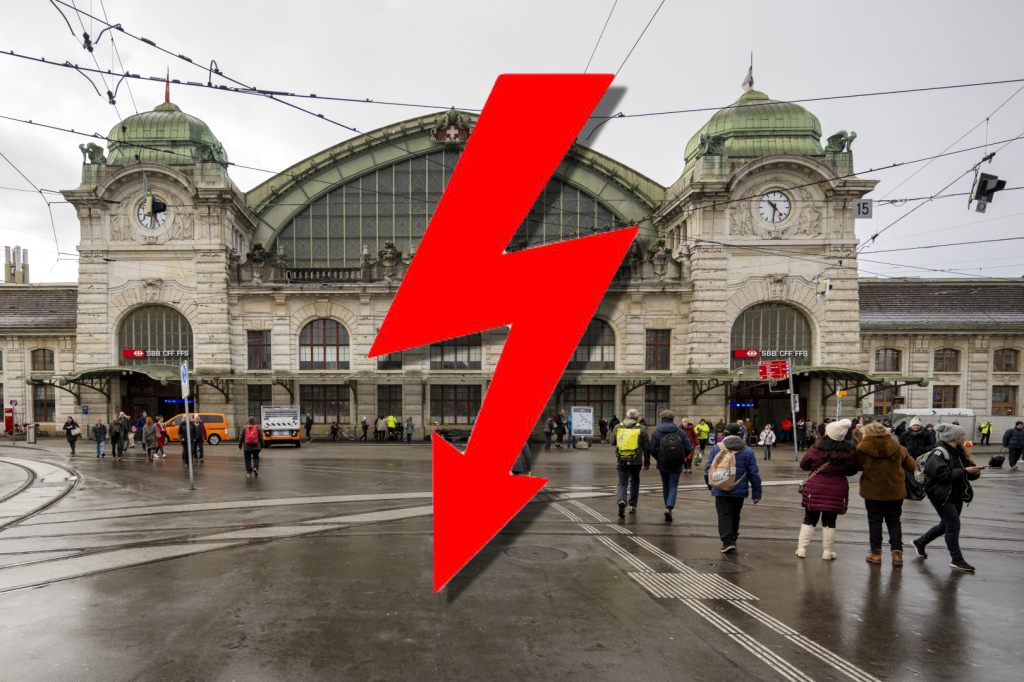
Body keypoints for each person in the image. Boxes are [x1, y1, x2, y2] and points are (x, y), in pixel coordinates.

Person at [912, 423, 983, 572]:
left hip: (956, 493)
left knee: (946, 525)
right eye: (962, 435)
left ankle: (920, 542)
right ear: (954, 437)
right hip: (940, 494)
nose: (964, 437)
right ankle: (957, 560)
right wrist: (964, 471)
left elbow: (964, 474)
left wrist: (974, 473)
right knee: (953, 526)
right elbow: (941, 475)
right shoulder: (939, 452)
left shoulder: (959, 451)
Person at [795, 419, 859, 561]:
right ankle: (827, 552)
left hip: (815, 487)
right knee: (830, 521)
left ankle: (802, 549)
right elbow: (852, 470)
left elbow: (804, 465)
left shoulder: (816, 447)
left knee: (809, 518)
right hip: (837, 488)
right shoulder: (849, 450)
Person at [857, 422, 917, 566]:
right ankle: (897, 554)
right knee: (894, 521)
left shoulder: (862, 448)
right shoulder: (898, 447)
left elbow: (855, 467)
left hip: (872, 491)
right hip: (895, 491)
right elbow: (912, 466)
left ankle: (876, 554)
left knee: (875, 522)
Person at [705, 425, 762, 553]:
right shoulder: (747, 451)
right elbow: (754, 474)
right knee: (735, 513)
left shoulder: (716, 448)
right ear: (740, 434)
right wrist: (756, 493)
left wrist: (710, 485)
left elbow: (708, 468)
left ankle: (727, 541)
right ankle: (733, 537)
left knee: (724, 514)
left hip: (720, 487)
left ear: (725, 434)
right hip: (739, 489)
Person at [650, 410, 691, 522]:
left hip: (663, 463)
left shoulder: (657, 431)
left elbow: (652, 449)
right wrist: (682, 457)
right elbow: (689, 447)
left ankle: (667, 506)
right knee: (673, 485)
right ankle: (669, 507)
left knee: (665, 485)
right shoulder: (679, 431)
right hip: (677, 463)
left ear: (661, 418)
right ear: (673, 418)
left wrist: (659, 458)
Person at [612, 409, 650, 519]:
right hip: (636, 460)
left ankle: (621, 500)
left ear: (626, 416)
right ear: (637, 418)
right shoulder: (642, 428)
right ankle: (632, 505)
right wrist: (647, 462)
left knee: (622, 483)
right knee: (635, 482)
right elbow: (647, 447)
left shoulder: (618, 427)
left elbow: (612, 442)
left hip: (622, 459)